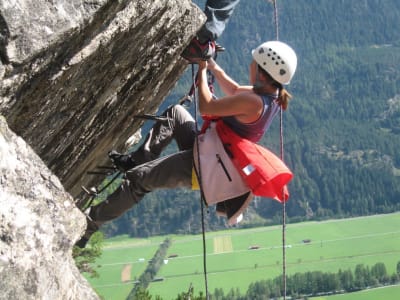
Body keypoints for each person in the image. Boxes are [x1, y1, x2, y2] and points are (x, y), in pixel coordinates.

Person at [76, 40, 297, 248]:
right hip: (211, 152)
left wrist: (201, 71)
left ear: (262, 71)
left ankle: (88, 225)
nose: (250, 65)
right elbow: (234, 89)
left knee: (140, 182)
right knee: (176, 114)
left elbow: (207, 107)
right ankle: (137, 161)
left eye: (254, 63)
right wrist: (211, 64)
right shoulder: (272, 95)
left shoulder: (254, 101)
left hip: (204, 166)